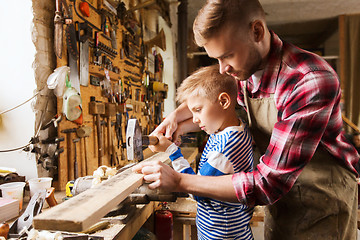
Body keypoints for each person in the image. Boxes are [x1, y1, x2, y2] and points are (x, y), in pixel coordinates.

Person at [133, 0, 360, 239]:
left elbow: (267, 183)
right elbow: (216, 101)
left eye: (227, 55)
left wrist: (180, 181)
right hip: (283, 203)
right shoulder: (246, 71)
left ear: (257, 32)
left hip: (321, 204)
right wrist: (176, 117)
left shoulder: (308, 80)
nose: (222, 69)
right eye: (217, 59)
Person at [151, 65, 255, 239]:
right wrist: (181, 127)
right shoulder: (236, 127)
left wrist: (171, 151)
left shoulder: (225, 150)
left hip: (221, 233)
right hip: (230, 227)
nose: (195, 118)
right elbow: (213, 118)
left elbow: (196, 190)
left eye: (198, 110)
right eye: (192, 112)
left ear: (224, 101)